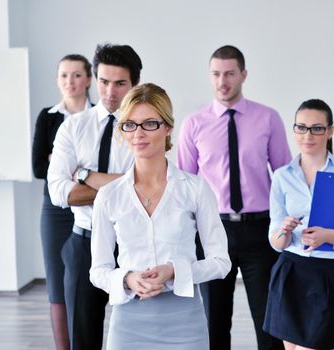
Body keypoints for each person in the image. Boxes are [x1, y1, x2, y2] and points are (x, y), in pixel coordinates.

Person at [89, 83, 231, 349]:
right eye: (130, 124)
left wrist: (175, 271)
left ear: (167, 128)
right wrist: (128, 278)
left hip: (185, 324)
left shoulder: (195, 189)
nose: (138, 134)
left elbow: (221, 262)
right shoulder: (109, 196)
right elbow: (98, 271)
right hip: (128, 324)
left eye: (150, 124)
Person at [177, 45, 291, 350]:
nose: (222, 81)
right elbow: (183, 186)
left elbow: (285, 177)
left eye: (229, 73)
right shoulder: (193, 124)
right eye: (216, 74)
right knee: (214, 324)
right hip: (214, 230)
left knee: (270, 323)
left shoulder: (268, 119)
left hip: (260, 230)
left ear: (243, 74)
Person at [47, 43, 142, 350]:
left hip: (132, 246)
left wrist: (85, 175)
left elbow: (143, 187)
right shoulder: (73, 128)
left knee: (133, 339)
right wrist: (120, 184)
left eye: (119, 83)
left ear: (134, 85)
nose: (110, 91)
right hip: (84, 243)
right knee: (83, 340)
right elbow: (59, 191)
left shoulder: (145, 131)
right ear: (94, 78)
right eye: (103, 81)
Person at [262, 99, 334, 350]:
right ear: (294, 130)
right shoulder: (282, 176)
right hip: (290, 271)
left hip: (328, 275)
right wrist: (284, 230)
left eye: (317, 128)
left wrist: (327, 236)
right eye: (301, 127)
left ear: (330, 131)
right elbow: (276, 242)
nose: (308, 135)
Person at [31, 53, 92, 350]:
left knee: (96, 284)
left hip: (93, 207)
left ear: (89, 79)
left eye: (77, 74)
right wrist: (86, 172)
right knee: (57, 286)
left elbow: (105, 168)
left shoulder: (100, 117)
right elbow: (39, 169)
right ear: (57, 80)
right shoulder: (48, 117)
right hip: (55, 211)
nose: (70, 81)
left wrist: (67, 167)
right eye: (64, 75)